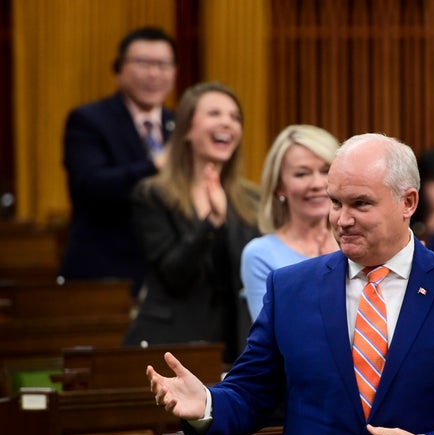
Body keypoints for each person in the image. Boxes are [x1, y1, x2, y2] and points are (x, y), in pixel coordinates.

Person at [147, 133, 434, 435]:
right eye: (335, 202)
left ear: (408, 202)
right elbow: (252, 392)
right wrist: (208, 405)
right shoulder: (291, 288)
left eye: (360, 204)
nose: (341, 220)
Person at [124, 81, 259, 364]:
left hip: (235, 344)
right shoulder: (153, 194)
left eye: (235, 117)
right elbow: (174, 275)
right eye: (214, 114)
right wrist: (210, 224)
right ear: (186, 128)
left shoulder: (252, 200)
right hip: (172, 345)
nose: (227, 123)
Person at [59, 26, 177, 297]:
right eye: (143, 63)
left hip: (167, 281)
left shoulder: (180, 125)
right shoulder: (88, 120)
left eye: (164, 65)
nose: (154, 74)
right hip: (105, 275)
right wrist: (155, 165)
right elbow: (89, 187)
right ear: (118, 69)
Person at [241, 124, 340, 322]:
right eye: (302, 174)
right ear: (279, 186)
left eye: (325, 170)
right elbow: (275, 337)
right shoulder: (260, 254)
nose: (317, 184)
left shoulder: (356, 242)